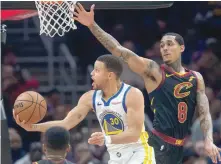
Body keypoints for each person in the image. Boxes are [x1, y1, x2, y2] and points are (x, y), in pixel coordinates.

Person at [72, 3, 221, 164]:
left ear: (182, 48)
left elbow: (204, 112)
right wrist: (92, 25)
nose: (164, 48)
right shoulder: (154, 71)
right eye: (162, 45)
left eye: (170, 44)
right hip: (158, 143)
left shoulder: (195, 77)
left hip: (181, 145)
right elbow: (118, 49)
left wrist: (208, 139)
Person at [14, 55, 155, 164]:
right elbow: (65, 124)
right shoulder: (90, 98)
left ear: (110, 75)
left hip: (140, 155)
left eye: (97, 70)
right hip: (116, 157)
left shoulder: (132, 94)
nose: (92, 73)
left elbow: (134, 134)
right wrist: (32, 127)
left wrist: (106, 139)